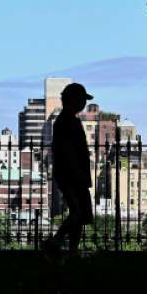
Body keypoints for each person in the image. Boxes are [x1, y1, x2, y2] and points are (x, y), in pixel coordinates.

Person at [44, 83, 94, 255]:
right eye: (82, 99)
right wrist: (78, 173)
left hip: (72, 174)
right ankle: (56, 241)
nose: (84, 103)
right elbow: (68, 151)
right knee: (78, 212)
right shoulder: (67, 121)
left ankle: (72, 248)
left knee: (79, 213)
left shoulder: (67, 120)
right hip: (72, 175)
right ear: (74, 100)